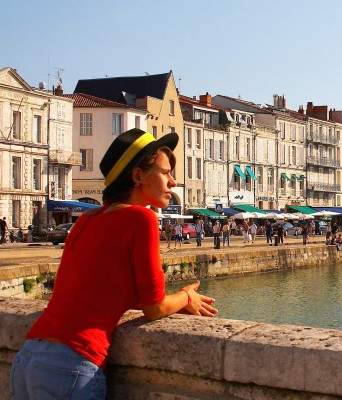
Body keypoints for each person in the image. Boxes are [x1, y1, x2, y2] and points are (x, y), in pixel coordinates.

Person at [8, 128, 217, 399]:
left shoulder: (87, 220)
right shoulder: (141, 219)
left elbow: (96, 291)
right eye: (165, 172)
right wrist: (186, 296)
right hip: (72, 364)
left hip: (29, 356)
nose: (173, 182)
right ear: (138, 175)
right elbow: (154, 309)